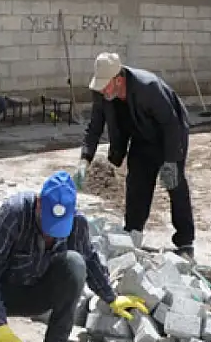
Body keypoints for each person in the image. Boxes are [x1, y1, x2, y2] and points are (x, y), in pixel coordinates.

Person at [0, 171, 148, 342]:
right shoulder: (15, 213)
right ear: (39, 203)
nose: (51, 233)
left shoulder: (77, 222)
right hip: (6, 290)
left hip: (40, 295)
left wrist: (112, 298)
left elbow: (89, 260)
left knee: (75, 263)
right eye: (48, 223)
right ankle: (2, 337)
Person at [75, 52, 195, 260]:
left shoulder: (148, 87)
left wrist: (171, 161)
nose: (102, 90)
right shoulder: (102, 93)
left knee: (174, 183)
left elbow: (171, 123)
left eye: (106, 85)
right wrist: (84, 159)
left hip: (170, 134)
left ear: (118, 80)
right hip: (141, 137)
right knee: (137, 182)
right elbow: (94, 127)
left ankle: (185, 242)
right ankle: (133, 232)